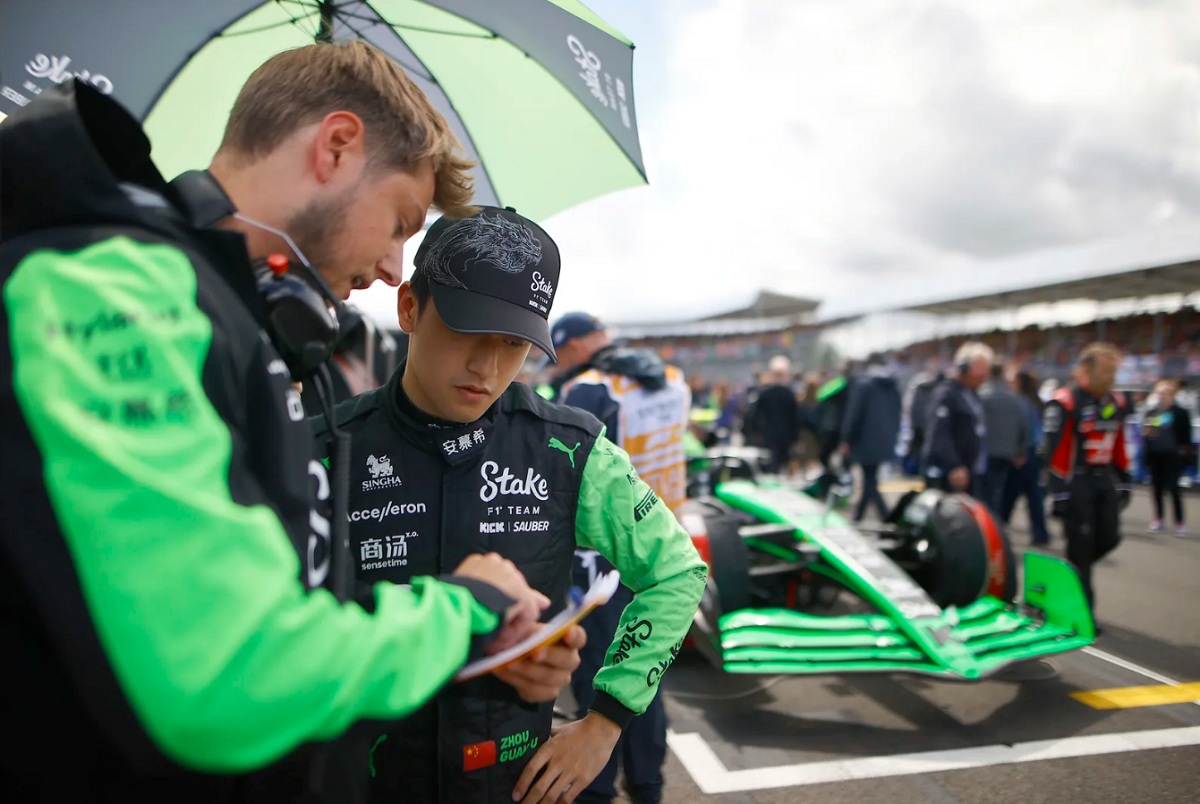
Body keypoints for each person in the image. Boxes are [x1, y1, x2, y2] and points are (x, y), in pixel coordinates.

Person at [0, 46, 560, 802]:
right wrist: (462, 607)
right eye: (398, 221)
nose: (396, 267)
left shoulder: (238, 318)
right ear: (336, 147)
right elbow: (227, 672)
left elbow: (282, 605)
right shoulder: (116, 286)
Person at [311, 207, 706, 803]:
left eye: (514, 343)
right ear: (409, 308)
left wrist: (605, 722)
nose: (488, 367)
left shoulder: (569, 448)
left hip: (509, 786)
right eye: (469, 332)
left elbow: (678, 571)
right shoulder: (324, 446)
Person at [550, 311, 692, 804]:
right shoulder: (670, 378)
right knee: (644, 663)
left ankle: (596, 787)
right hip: (663, 541)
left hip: (604, 553)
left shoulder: (589, 389)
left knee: (602, 670)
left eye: (562, 350)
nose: (559, 360)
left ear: (579, 345)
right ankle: (647, 783)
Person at [1043, 343, 1132, 610]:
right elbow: (1052, 450)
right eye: (1107, 371)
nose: (1112, 378)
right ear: (1085, 369)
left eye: (1114, 372)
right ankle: (1082, 610)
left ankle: (1068, 575)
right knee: (1080, 548)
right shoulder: (1065, 401)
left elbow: (1118, 442)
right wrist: (1058, 492)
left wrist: (1124, 480)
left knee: (1110, 538)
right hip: (1076, 483)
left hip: (1103, 481)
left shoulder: (1115, 402)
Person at [923, 342, 993, 497]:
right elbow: (939, 433)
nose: (983, 378)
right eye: (979, 373)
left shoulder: (972, 395)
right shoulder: (947, 394)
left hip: (972, 471)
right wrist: (954, 465)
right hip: (953, 474)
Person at [838, 354, 902, 522]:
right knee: (870, 479)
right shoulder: (892, 386)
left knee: (869, 480)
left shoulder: (863, 384)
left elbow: (855, 414)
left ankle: (886, 518)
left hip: (865, 441)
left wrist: (846, 439)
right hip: (885, 440)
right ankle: (861, 517)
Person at [1002, 371, 1052, 545]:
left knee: (1009, 494)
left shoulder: (1020, 402)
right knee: (1034, 496)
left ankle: (999, 529)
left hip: (1022, 453)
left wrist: (1018, 451)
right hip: (1033, 453)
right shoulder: (1036, 401)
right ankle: (1040, 533)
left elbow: (1023, 430)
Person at [1142, 379, 1193, 536]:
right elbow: (1148, 434)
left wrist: (1183, 454)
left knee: (1174, 489)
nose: (1162, 396)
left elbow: (1186, 436)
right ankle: (1158, 519)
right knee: (1156, 489)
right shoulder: (1152, 412)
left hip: (1173, 456)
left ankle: (1179, 523)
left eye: (1165, 393)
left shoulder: (1180, 413)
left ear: (1172, 395)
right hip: (1156, 455)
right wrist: (1147, 434)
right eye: (1160, 393)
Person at [980, 364, 1030, 514]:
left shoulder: (982, 395)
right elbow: (1024, 426)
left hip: (986, 453)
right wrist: (1021, 451)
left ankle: (989, 526)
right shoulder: (1014, 397)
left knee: (985, 493)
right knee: (999, 491)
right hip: (1008, 453)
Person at [744, 354, 802, 475]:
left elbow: (754, 416)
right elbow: (795, 419)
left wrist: (755, 433)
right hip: (784, 437)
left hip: (767, 436)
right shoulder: (789, 394)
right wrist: (795, 438)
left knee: (769, 467)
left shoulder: (764, 393)